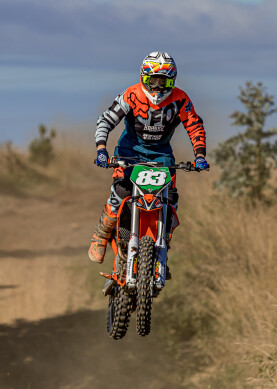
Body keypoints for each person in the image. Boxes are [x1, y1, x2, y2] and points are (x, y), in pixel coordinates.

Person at [88, 51, 209, 265]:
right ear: (143, 77)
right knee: (120, 194)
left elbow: (195, 126)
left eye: (164, 82)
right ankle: (101, 234)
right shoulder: (131, 94)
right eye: (153, 81)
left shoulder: (180, 99)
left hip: (162, 155)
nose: (157, 87)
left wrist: (199, 156)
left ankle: (162, 247)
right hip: (129, 152)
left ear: (172, 81)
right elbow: (106, 120)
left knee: (170, 201)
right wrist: (101, 150)